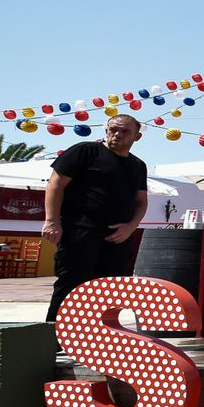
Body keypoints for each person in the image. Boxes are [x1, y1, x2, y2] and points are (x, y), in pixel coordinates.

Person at [44, 114, 148, 321]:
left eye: (124, 131)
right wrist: (52, 220)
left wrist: (130, 227)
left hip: (118, 237)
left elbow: (141, 202)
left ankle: (95, 338)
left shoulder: (138, 165)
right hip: (80, 230)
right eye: (112, 129)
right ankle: (54, 339)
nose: (117, 134)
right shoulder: (86, 151)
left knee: (108, 289)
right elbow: (55, 184)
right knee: (71, 283)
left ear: (137, 136)